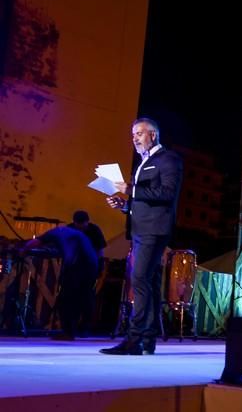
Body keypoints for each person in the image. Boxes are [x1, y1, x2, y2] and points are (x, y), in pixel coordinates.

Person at [100, 117, 183, 355]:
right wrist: (125, 205)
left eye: (139, 133)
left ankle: (134, 339)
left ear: (153, 135)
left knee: (139, 280)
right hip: (141, 229)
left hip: (153, 230)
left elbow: (167, 193)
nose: (134, 138)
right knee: (148, 282)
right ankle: (147, 340)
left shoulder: (168, 159)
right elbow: (146, 202)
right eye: (133, 134)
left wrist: (132, 190)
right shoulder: (143, 163)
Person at [24, 226, 99, 340]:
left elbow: (36, 242)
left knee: (66, 299)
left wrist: (23, 249)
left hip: (78, 267)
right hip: (92, 266)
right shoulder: (73, 233)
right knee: (83, 299)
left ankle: (68, 332)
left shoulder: (54, 233)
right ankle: (82, 329)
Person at [67, 210, 107, 336]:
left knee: (87, 297)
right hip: (73, 267)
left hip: (89, 267)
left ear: (87, 222)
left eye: (82, 225)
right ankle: (71, 325)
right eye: (78, 225)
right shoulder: (70, 229)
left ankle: (85, 326)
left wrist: (100, 266)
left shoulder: (94, 230)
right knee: (71, 297)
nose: (80, 228)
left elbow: (100, 249)